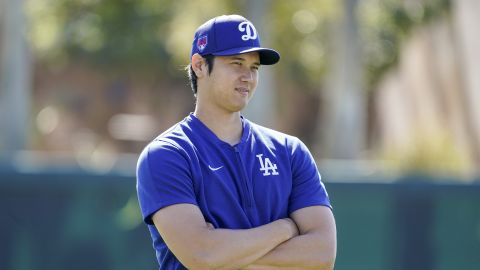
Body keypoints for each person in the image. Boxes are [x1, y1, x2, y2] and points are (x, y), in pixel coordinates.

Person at [136, 14, 336, 270]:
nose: (248, 77)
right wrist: (284, 228)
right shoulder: (167, 155)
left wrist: (228, 253)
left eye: (254, 67)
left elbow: (322, 255)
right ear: (198, 66)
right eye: (236, 63)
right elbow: (203, 255)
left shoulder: (290, 151)